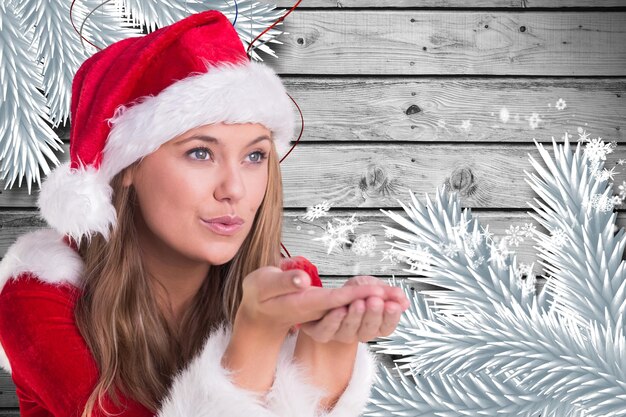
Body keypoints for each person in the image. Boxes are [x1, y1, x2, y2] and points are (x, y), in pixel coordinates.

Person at [0, 9, 409, 417]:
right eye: (200, 153)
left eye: (254, 155)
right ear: (127, 169)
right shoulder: (37, 298)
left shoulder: (283, 289)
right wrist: (256, 334)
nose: (234, 189)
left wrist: (330, 345)